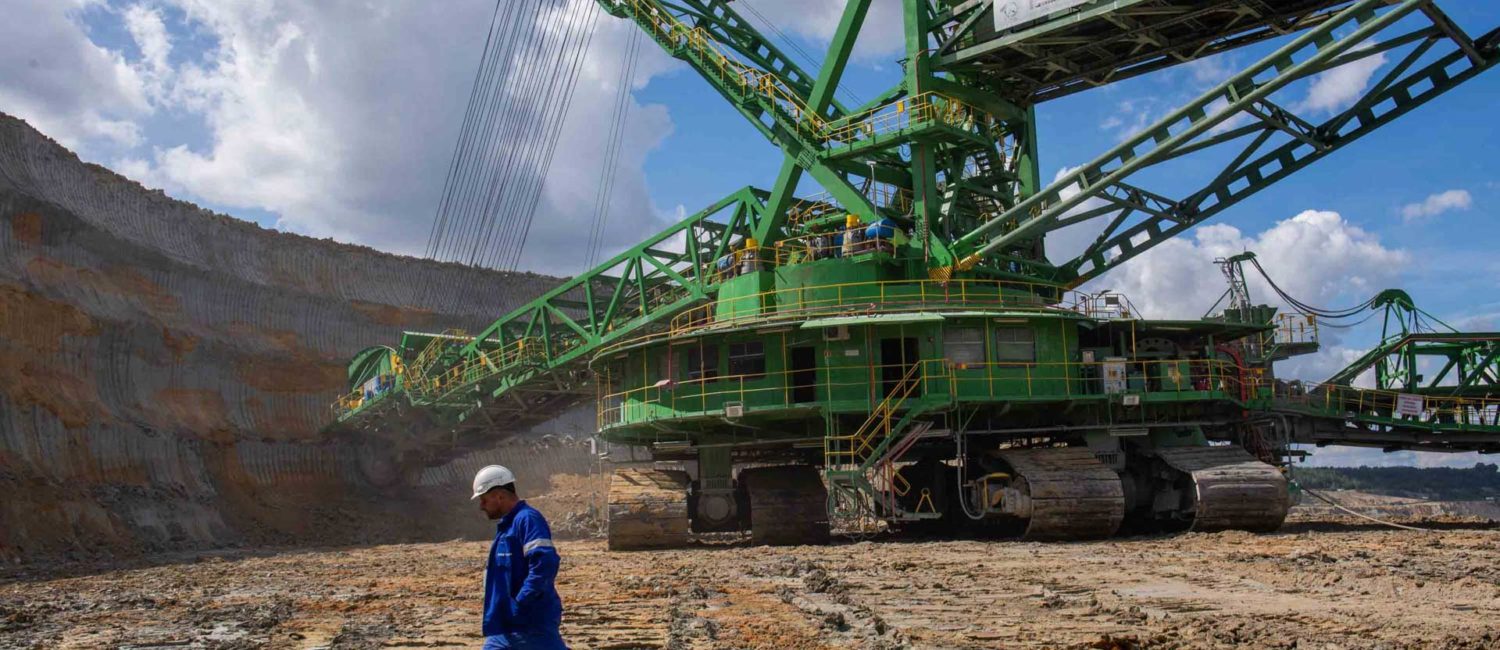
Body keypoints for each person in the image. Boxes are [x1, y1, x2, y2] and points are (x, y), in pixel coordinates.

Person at [473, 465, 566, 650]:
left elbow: (545, 564)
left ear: (499, 496)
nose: (481, 506)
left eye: (484, 499)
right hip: (506, 626)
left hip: (530, 624)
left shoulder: (528, 520)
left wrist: (522, 602)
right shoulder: (507, 527)